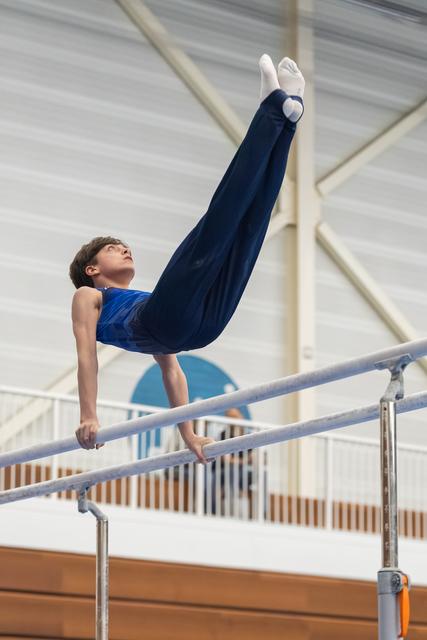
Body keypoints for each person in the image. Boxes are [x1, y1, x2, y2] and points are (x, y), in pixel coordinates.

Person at [69, 54, 305, 464]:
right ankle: (277, 115)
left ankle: (283, 118)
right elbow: (86, 355)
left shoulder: (143, 300)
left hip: (177, 325)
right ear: (92, 271)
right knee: (243, 230)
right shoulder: (89, 298)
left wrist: (187, 430)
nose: (125, 249)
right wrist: (89, 415)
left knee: (235, 223)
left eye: (123, 246)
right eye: (113, 248)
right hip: (197, 329)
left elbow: (172, 370)